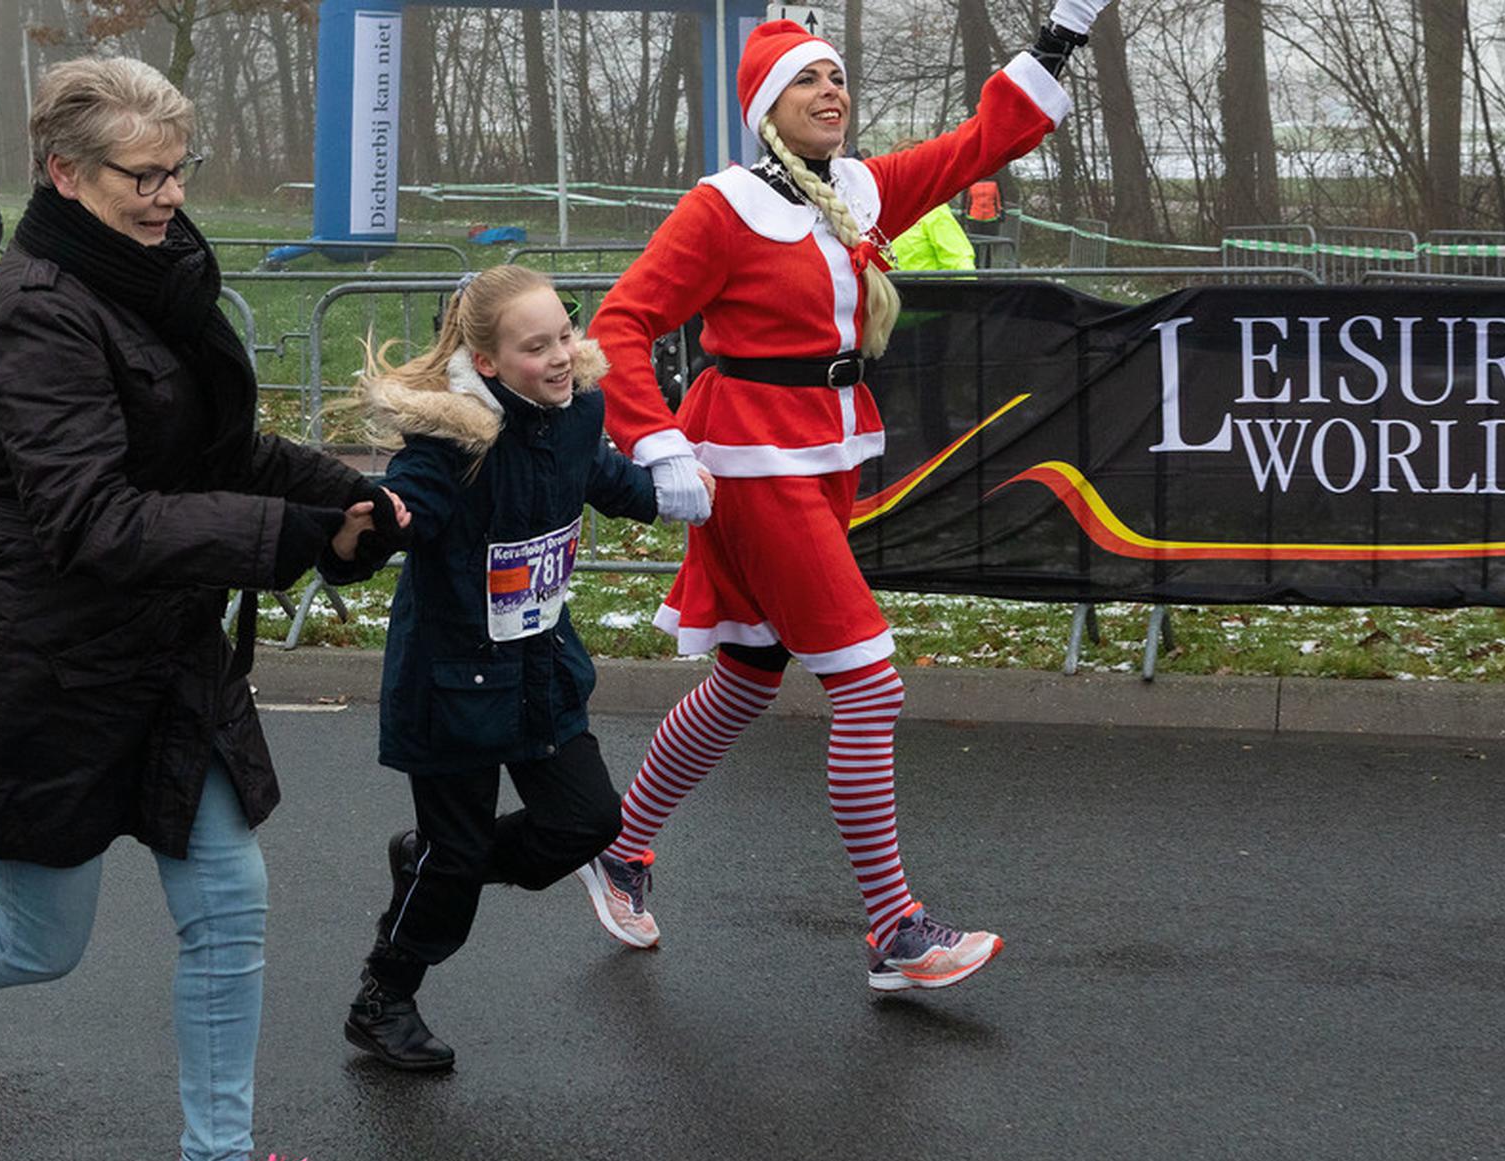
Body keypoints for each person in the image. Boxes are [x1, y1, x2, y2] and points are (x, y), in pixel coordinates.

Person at [0, 56, 404, 1161]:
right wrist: (281, 536)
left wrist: (343, 499)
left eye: (180, 169)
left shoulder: (155, 276)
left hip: (169, 654)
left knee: (230, 906)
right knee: (40, 941)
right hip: (55, 669)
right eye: (145, 174)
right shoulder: (34, 314)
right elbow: (93, 517)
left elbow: (215, 450)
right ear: (66, 173)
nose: (170, 194)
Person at [577, 5, 1111, 991]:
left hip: (825, 451)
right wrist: (656, 446)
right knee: (867, 683)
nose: (832, 92)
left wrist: (1058, 38)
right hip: (751, 463)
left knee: (747, 675)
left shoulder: (859, 188)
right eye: (808, 81)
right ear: (766, 107)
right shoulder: (724, 206)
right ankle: (895, 929)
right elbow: (619, 325)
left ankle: (620, 846)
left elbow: (979, 144)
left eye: (836, 77)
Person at [338, 265, 710, 1071]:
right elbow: (410, 506)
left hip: (540, 667)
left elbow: (594, 474)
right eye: (536, 347)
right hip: (452, 682)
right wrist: (376, 521)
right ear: (489, 362)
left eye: (565, 336)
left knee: (587, 823)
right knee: (457, 855)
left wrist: (662, 494)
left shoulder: (576, 411)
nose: (561, 357)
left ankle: (435, 860)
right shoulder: (455, 442)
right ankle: (383, 997)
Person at [885, 140, 977, 273]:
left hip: (924, 285)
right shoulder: (883, 209)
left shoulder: (934, 211)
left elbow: (958, 260)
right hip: (888, 285)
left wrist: (967, 286)